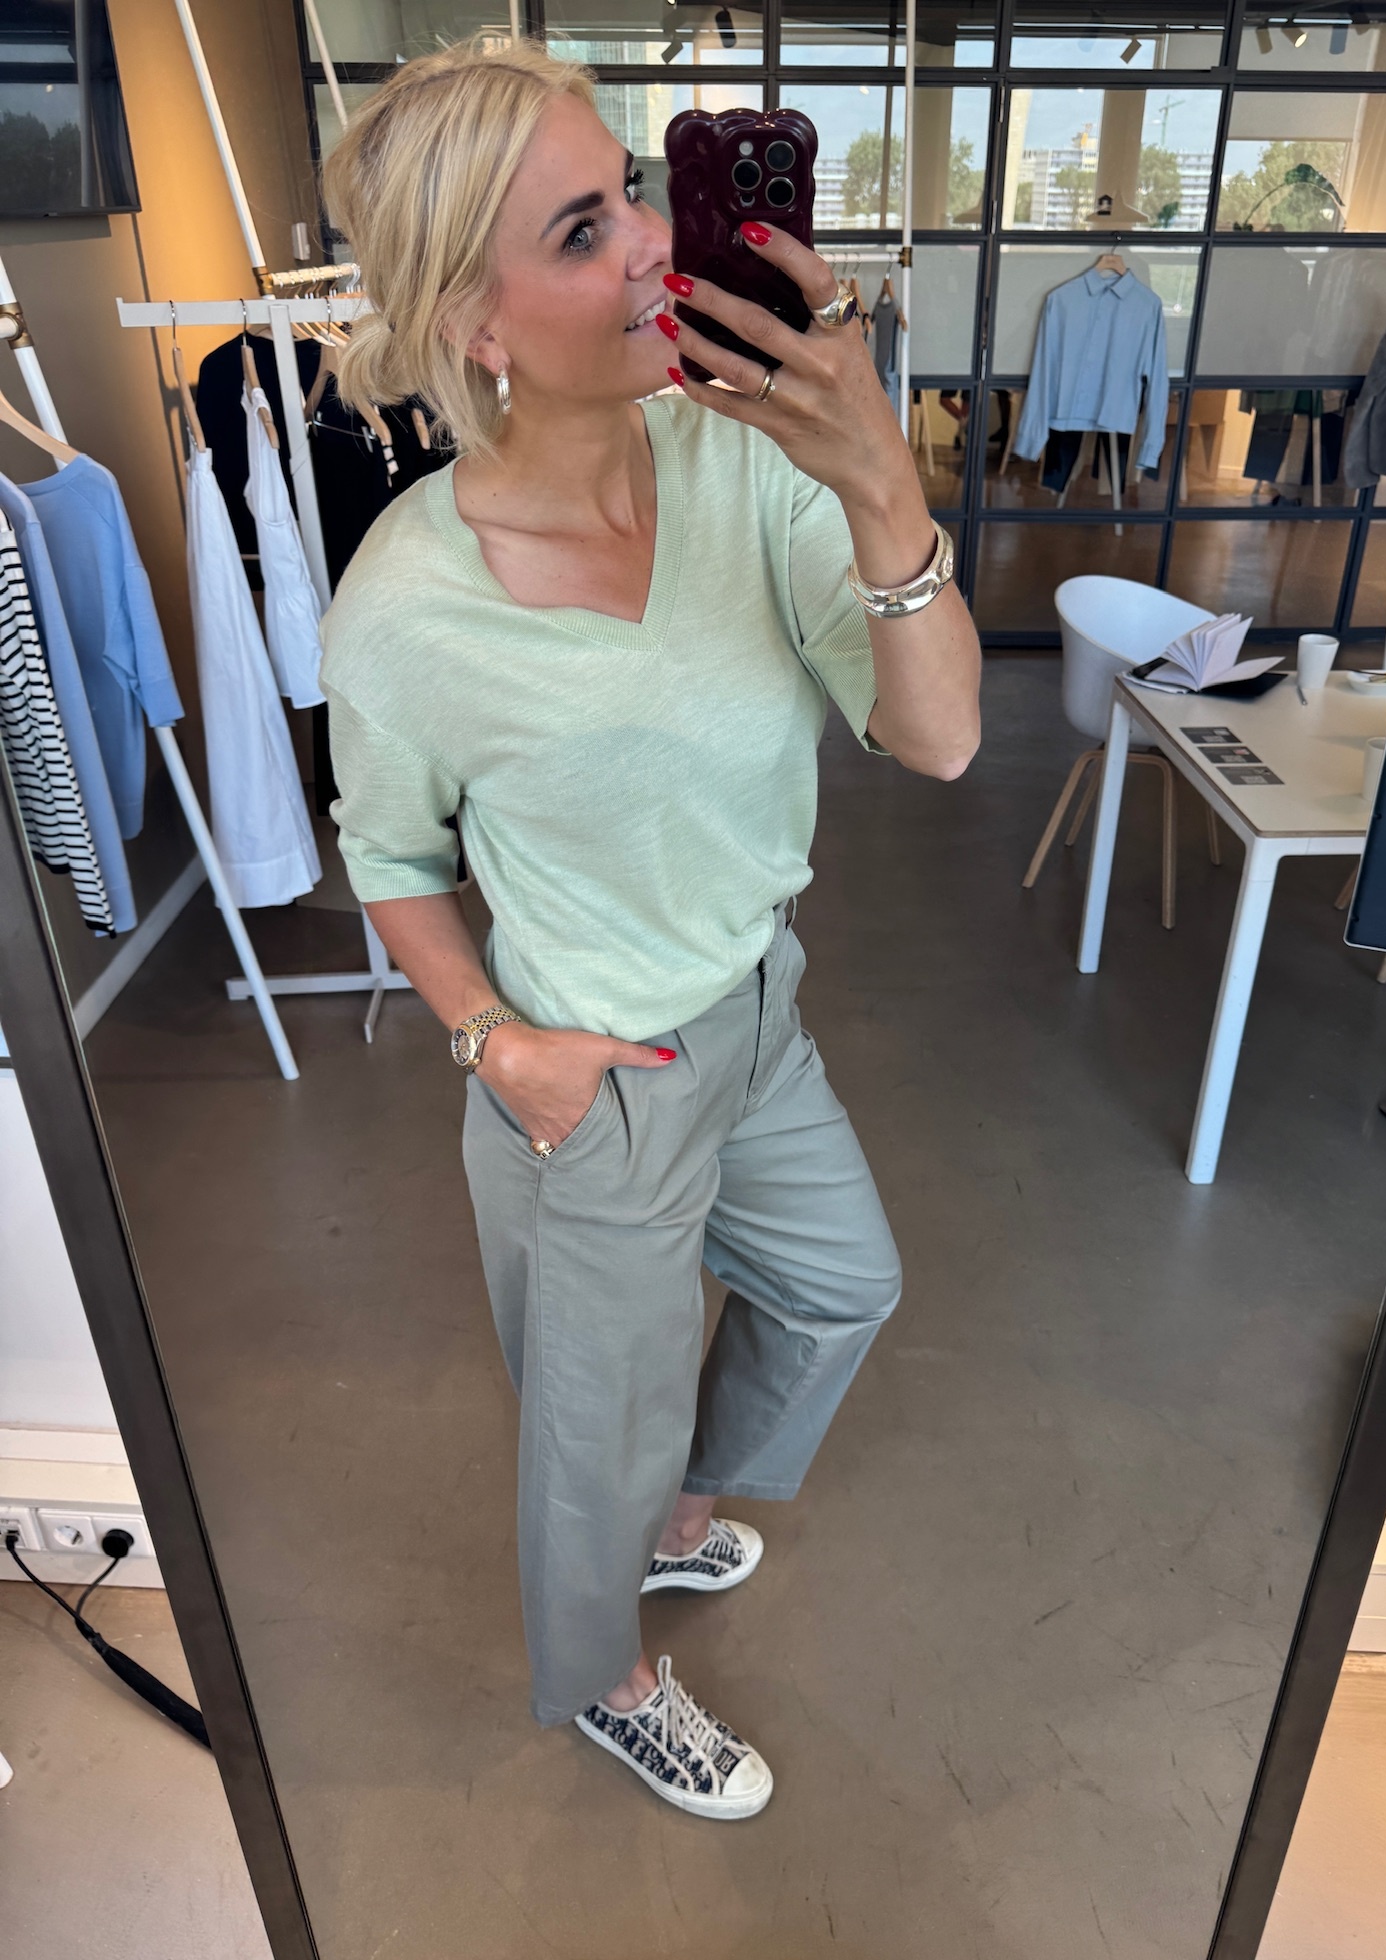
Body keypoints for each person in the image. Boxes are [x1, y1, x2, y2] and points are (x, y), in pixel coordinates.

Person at [319, 38, 981, 1820]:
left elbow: (938, 737)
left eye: (631, 192)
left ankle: (677, 1522)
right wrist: (496, 1044)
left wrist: (880, 484)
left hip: (756, 1010)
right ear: (474, 322)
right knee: (588, 1439)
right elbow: (389, 859)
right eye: (580, 230)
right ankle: (606, 1678)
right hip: (593, 1079)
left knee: (839, 1287)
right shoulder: (403, 608)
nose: (647, 248)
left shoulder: (745, 468)